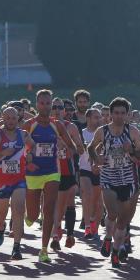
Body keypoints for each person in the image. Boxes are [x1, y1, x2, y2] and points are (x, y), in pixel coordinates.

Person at [87, 97, 140, 269]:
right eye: (116, 113)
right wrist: (96, 159)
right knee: (112, 212)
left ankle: (115, 250)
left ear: (127, 114)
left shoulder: (133, 132)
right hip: (108, 177)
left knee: (123, 219)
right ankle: (108, 236)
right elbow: (91, 147)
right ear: (110, 114)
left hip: (128, 180)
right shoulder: (102, 131)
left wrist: (133, 151)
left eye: (123, 113)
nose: (119, 116)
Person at [23, 89, 78, 263]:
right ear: (36, 104)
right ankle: (30, 216)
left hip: (52, 172)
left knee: (49, 209)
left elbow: (73, 147)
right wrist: (28, 159)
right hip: (33, 172)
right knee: (33, 215)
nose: (46, 106)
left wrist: (66, 150)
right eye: (42, 103)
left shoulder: (58, 125)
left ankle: (44, 249)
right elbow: (18, 148)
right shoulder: (29, 125)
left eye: (49, 103)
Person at [0, 106, 33, 260]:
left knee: (19, 210)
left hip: (18, 179)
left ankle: (16, 246)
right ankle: (1, 227)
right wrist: (2, 153)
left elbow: (33, 146)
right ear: (3, 118)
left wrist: (29, 154)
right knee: (1, 213)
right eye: (7, 118)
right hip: (1, 181)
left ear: (18, 119)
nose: (10, 121)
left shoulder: (23, 135)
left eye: (14, 118)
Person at [51, 99, 85, 251]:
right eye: (54, 107)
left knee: (70, 200)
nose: (57, 110)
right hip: (51, 170)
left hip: (68, 170)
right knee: (57, 204)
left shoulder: (70, 127)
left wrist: (66, 144)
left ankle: (70, 234)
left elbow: (81, 149)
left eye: (60, 107)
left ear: (65, 110)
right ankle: (56, 233)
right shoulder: (44, 126)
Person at [78, 108, 103, 241]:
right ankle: (87, 226)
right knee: (87, 195)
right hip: (85, 169)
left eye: (100, 117)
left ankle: (95, 226)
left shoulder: (103, 134)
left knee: (98, 203)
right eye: (96, 117)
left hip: (99, 170)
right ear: (88, 118)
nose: (99, 120)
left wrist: (99, 163)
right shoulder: (81, 133)